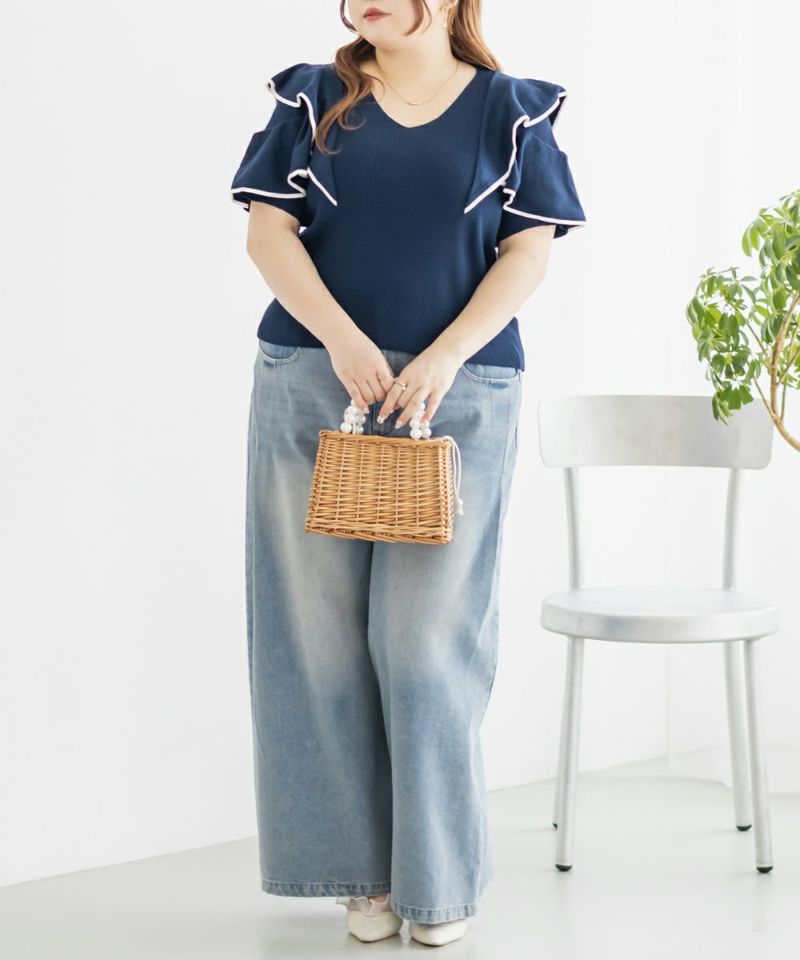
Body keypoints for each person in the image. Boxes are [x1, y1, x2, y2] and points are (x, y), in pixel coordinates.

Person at [230, 0, 587, 947]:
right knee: (316, 641)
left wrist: (447, 355)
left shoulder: (512, 108)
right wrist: (343, 341)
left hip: (457, 394)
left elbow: (528, 251)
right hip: (313, 381)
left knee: (427, 646)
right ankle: (360, 877)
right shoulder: (315, 96)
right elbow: (268, 233)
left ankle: (438, 879)